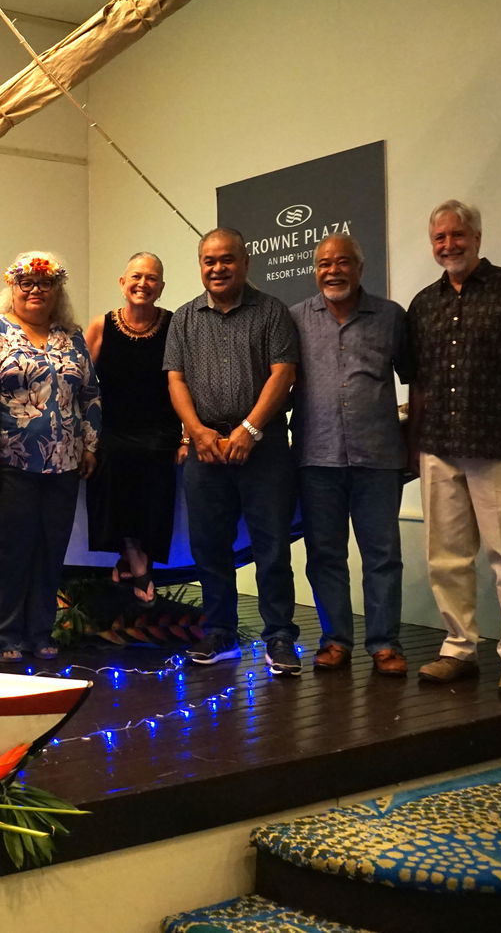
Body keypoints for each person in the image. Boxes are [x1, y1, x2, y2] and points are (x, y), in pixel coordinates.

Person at [407, 200, 501, 696]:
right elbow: (418, 381)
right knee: (446, 557)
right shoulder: (423, 304)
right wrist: (415, 444)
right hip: (440, 446)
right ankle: (458, 648)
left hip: (500, 446)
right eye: (439, 238)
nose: (448, 245)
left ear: (477, 236)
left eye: (457, 235)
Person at [163, 228, 302, 675]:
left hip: (264, 450)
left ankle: (279, 637)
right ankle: (220, 632)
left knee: (272, 546)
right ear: (200, 265)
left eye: (226, 260)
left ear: (245, 263)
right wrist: (197, 432)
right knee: (210, 547)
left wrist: (250, 429)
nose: (217, 268)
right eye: (209, 261)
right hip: (206, 450)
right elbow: (175, 379)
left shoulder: (272, 312)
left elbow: (284, 373)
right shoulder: (184, 318)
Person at [289, 235, 411, 678]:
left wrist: (414, 445)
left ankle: (385, 644)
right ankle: (335, 640)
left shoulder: (391, 317)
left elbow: (418, 379)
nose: (333, 271)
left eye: (342, 263)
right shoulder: (295, 319)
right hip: (315, 457)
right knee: (325, 555)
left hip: (378, 457)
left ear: (360, 267)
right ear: (315, 270)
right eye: (324, 264)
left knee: (382, 555)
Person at [0, 251, 101, 663]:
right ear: (11, 287)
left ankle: (38, 631)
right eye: (26, 282)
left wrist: (89, 444)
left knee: (50, 550)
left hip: (63, 464)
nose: (35, 290)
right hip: (9, 461)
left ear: (57, 289)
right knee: (8, 549)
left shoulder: (72, 337)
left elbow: (91, 395)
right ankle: (1, 633)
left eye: (44, 283)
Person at [83, 252, 181, 604]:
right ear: (122, 283)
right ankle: (137, 560)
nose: (143, 284)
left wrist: (186, 435)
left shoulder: (175, 325)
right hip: (112, 428)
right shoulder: (100, 326)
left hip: (160, 428)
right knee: (113, 460)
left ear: (161, 287)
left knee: (155, 461)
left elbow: (187, 384)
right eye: (136, 277)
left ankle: (132, 557)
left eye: (152, 278)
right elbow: (83, 384)